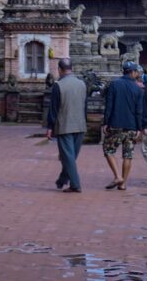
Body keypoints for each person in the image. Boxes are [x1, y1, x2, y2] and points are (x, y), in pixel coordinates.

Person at [45, 58, 87, 193]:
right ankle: (62, 179)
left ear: (59, 69)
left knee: (68, 156)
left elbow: (53, 108)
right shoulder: (82, 84)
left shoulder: (59, 85)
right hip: (80, 124)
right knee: (71, 156)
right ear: (71, 68)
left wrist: (50, 127)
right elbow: (85, 106)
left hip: (65, 125)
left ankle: (75, 184)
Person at [101, 61, 144, 191]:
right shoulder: (138, 88)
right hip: (131, 126)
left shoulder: (114, 84)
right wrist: (139, 128)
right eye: (136, 71)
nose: (137, 73)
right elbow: (139, 111)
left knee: (108, 150)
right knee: (128, 154)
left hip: (116, 124)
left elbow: (109, 105)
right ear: (133, 72)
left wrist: (106, 122)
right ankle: (123, 183)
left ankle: (117, 176)